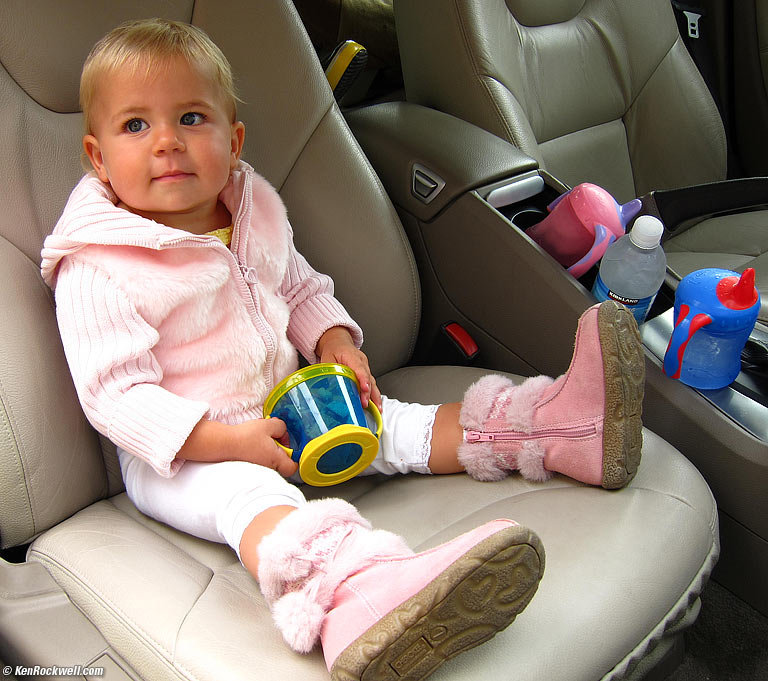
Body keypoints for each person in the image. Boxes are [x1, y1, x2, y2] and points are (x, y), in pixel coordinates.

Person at [40, 18, 644, 681]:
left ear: (233, 141)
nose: (167, 142)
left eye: (191, 117)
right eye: (135, 126)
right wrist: (227, 442)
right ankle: (356, 597)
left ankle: (553, 430)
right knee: (247, 493)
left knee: (393, 422)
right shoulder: (98, 264)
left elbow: (299, 288)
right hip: (183, 456)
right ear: (98, 158)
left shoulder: (252, 208)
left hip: (293, 407)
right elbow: (115, 395)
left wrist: (335, 344)